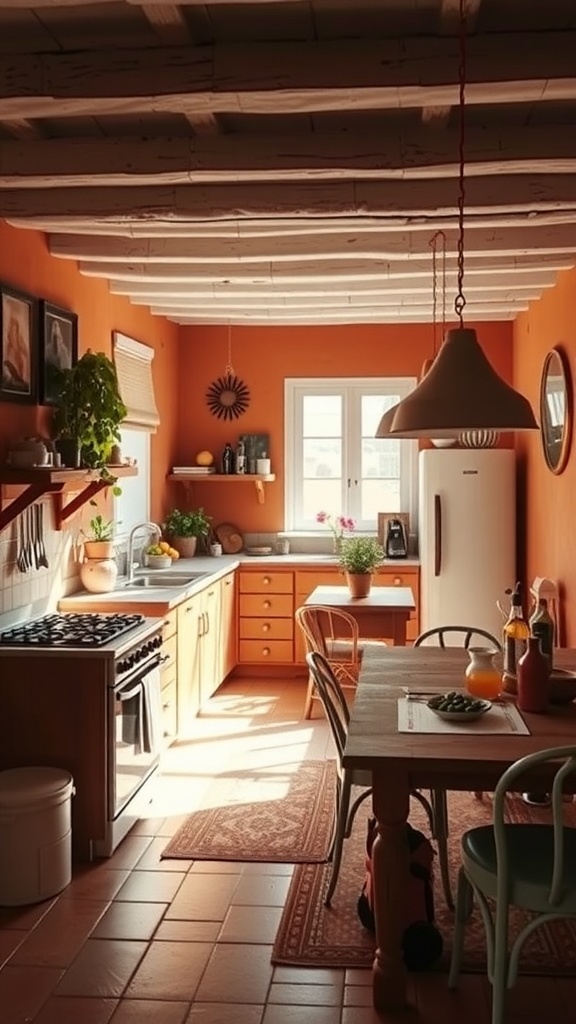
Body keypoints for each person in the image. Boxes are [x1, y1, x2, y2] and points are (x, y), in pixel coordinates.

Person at [2, 314, 30, 392]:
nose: (12, 334)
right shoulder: (7, 351)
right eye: (11, 331)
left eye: (14, 331)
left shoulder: (22, 351)